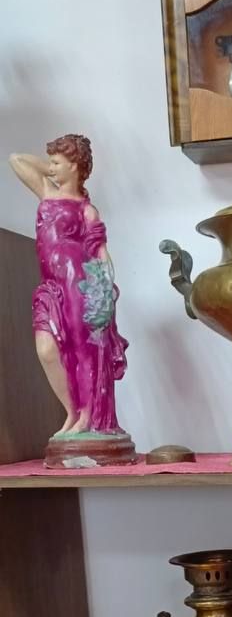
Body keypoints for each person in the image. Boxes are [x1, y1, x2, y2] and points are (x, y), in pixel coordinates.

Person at [9, 134, 128, 436]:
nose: (50, 168)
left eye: (57, 163)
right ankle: (72, 410)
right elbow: (16, 160)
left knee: (81, 348)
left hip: (79, 282)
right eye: (50, 163)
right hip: (51, 285)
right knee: (47, 349)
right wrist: (52, 167)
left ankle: (85, 416)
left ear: (74, 166)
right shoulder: (47, 191)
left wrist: (105, 292)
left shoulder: (87, 210)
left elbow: (101, 253)